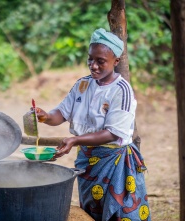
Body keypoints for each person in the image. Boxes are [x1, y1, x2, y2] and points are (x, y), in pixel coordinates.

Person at [32, 28, 151, 221]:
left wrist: (75, 140)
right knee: (92, 212)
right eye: (90, 59)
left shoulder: (122, 91)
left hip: (114, 161)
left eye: (100, 61)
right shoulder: (82, 85)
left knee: (121, 213)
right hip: (88, 161)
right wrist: (45, 116)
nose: (93, 66)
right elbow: (61, 113)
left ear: (116, 62)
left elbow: (112, 133)